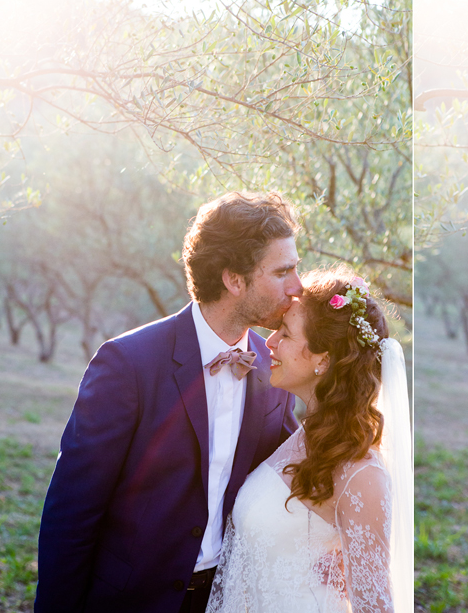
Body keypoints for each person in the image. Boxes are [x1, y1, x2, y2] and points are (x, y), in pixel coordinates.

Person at [36, 191, 302, 613]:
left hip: (227, 598)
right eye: (283, 271)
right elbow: (71, 513)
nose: (297, 287)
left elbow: (292, 475)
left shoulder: (276, 367)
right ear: (234, 279)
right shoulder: (127, 364)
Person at [205, 267, 412, 613]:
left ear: (324, 359)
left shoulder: (362, 477)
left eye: (284, 334)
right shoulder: (302, 436)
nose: (268, 342)